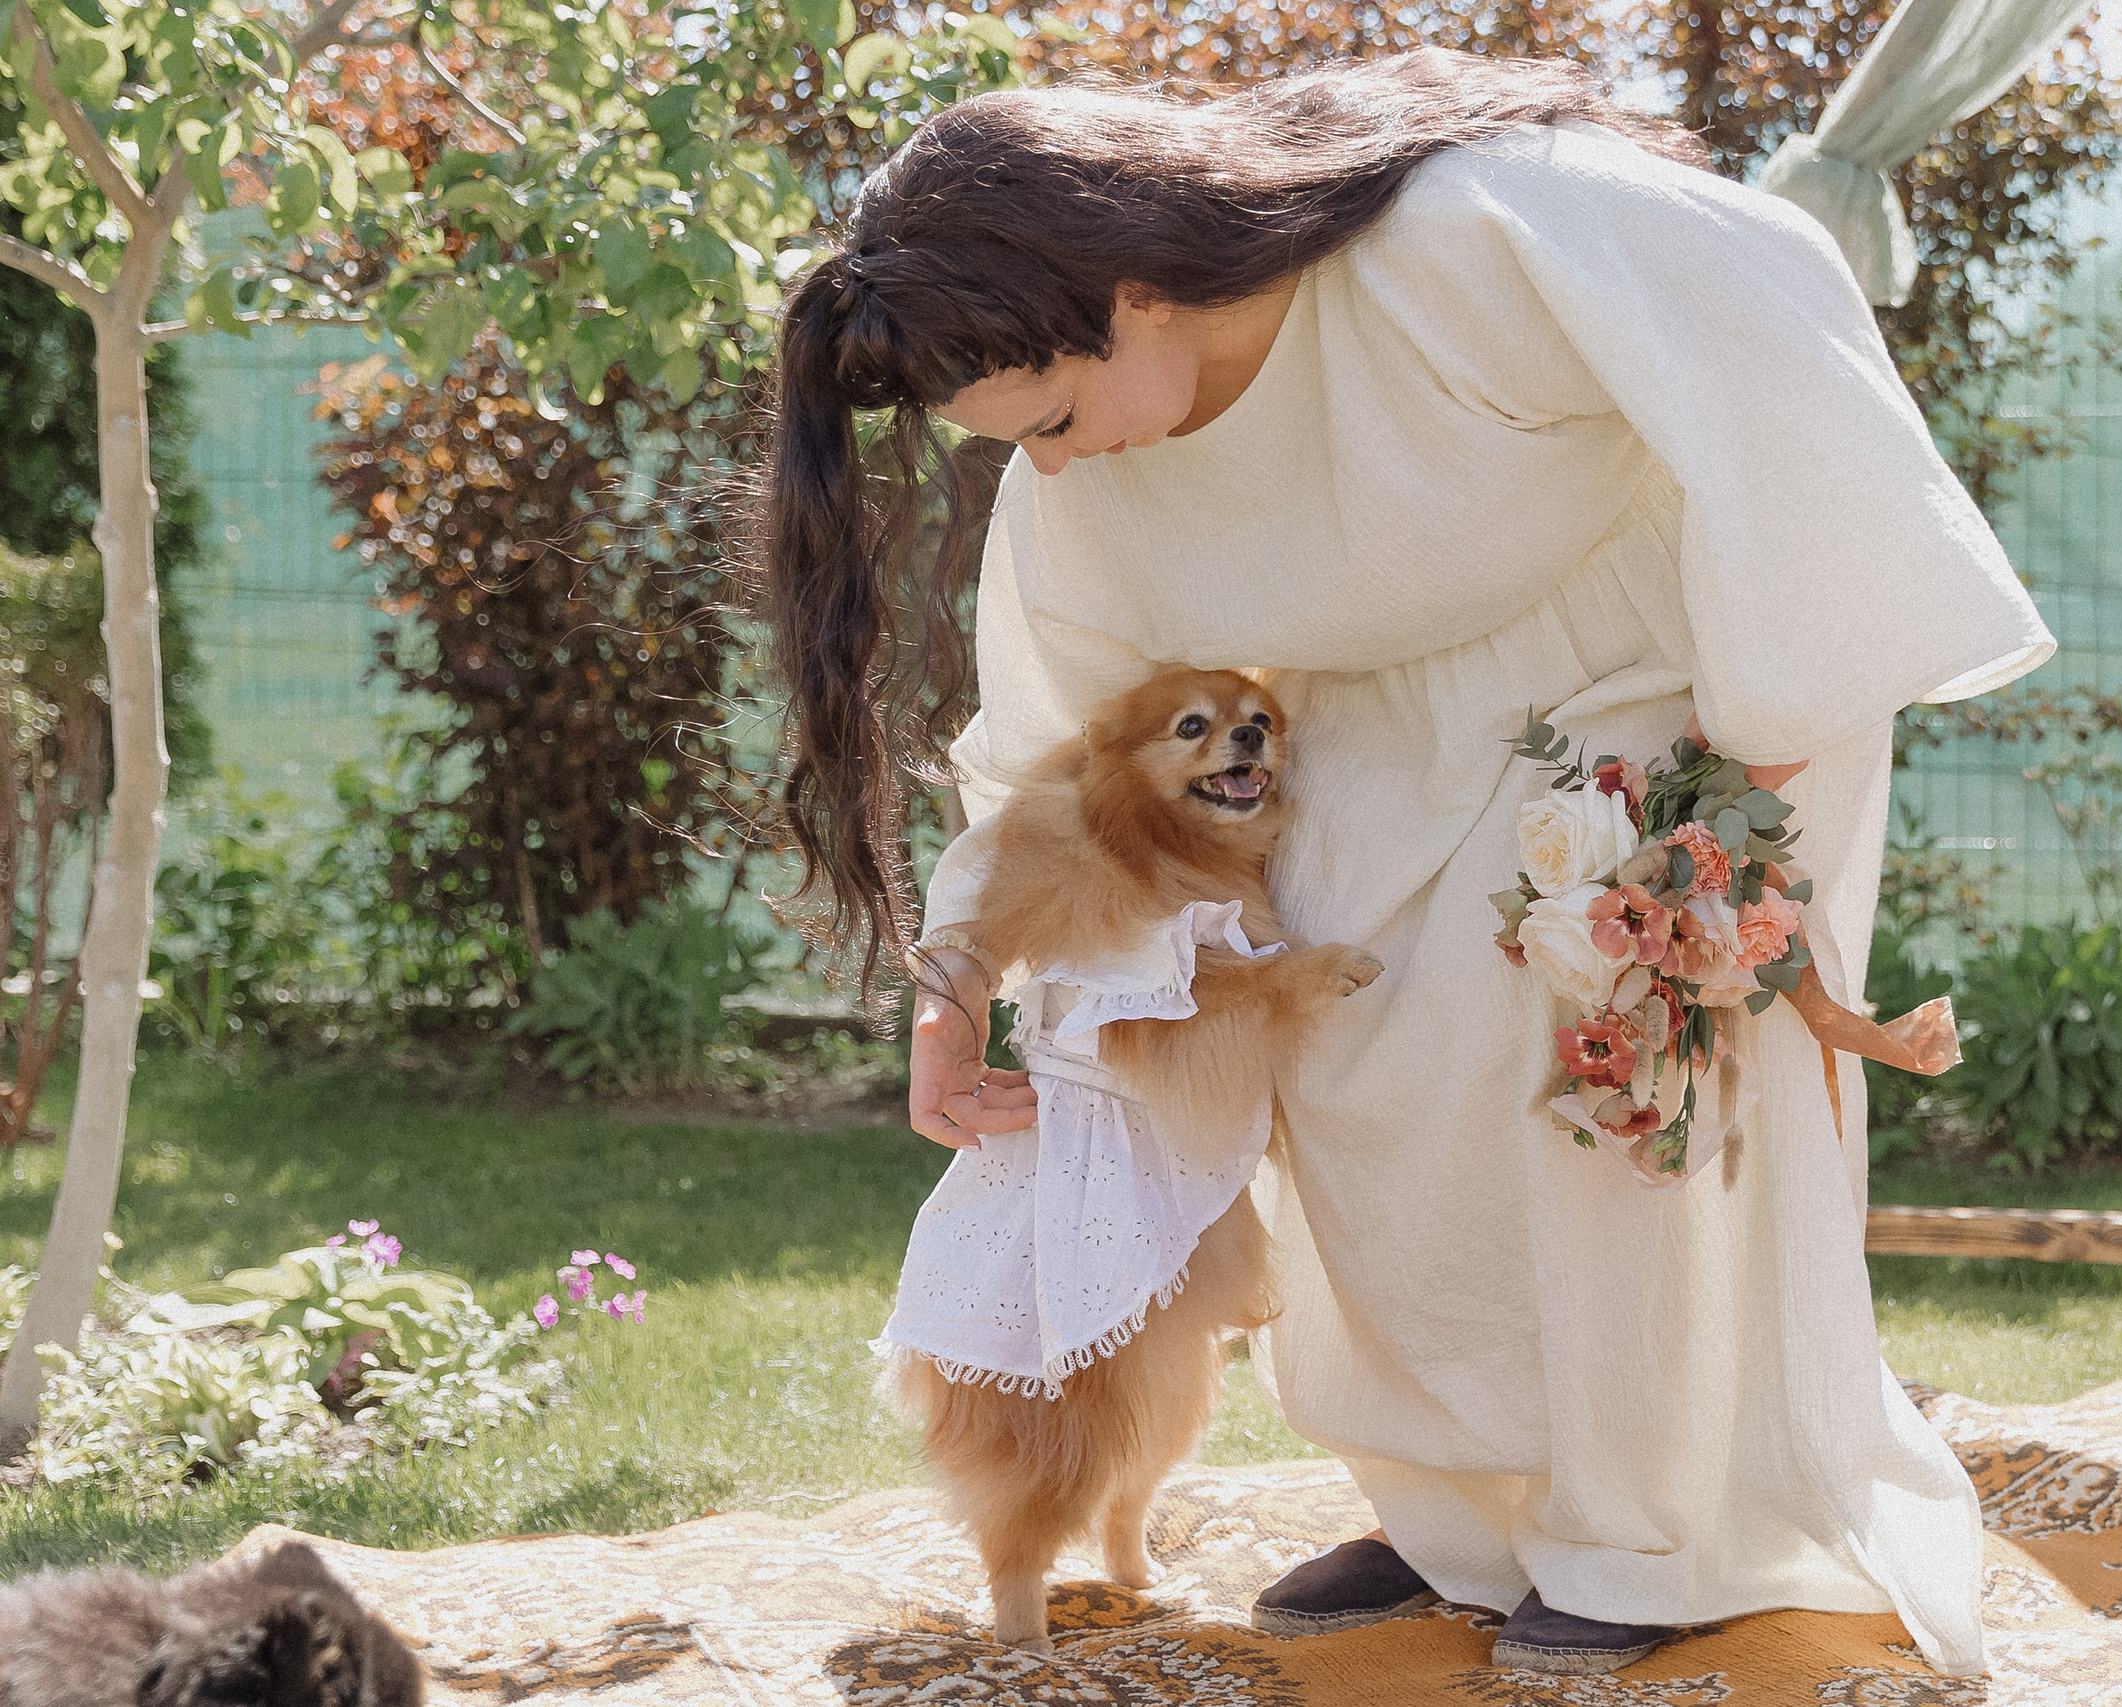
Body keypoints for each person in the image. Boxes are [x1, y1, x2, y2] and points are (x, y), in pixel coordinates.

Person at [757, 50, 2052, 1678]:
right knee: (1363, 1082)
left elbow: (1768, 305)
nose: (1058, 462)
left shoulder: (1470, 234)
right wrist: (958, 974)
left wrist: (1754, 769)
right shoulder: (1087, 469)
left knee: (1607, 1109)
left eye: (1058, 417)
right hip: (1361, 745)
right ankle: (1458, 1517)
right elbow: (1053, 743)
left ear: (1138, 293)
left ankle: (1651, 1534)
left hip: (1655, 700)